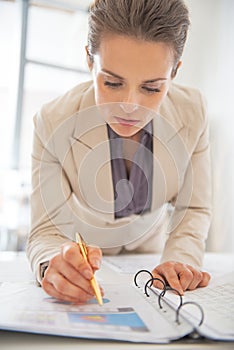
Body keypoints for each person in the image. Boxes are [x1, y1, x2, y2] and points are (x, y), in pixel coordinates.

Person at [27, 0, 212, 303]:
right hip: (85, 261)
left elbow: (192, 208)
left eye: (152, 88)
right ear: (90, 59)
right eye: (112, 82)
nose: (129, 105)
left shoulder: (193, 111)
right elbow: (46, 227)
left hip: (152, 263)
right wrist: (53, 264)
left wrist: (182, 260)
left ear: (175, 71)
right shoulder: (52, 121)